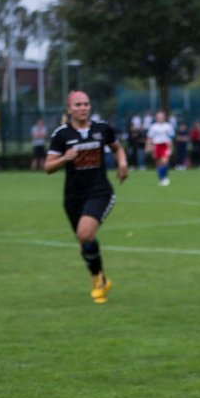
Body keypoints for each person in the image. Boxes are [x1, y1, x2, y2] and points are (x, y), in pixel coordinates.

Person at [45, 91, 129, 303]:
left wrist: (122, 163)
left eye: (86, 104)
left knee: (84, 233)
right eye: (78, 105)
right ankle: (99, 277)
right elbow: (48, 167)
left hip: (99, 191)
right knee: (84, 241)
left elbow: (117, 148)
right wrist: (65, 158)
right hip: (73, 196)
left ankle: (97, 281)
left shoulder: (102, 129)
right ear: (69, 109)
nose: (83, 108)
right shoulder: (61, 135)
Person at [147, 110, 175, 186]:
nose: (160, 118)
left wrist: (171, 148)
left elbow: (171, 138)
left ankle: (164, 177)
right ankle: (161, 178)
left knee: (165, 161)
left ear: (164, 117)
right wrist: (148, 147)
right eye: (158, 117)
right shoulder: (153, 127)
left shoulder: (168, 126)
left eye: (161, 117)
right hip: (156, 145)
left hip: (165, 145)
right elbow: (149, 138)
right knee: (158, 163)